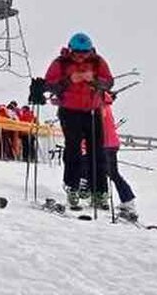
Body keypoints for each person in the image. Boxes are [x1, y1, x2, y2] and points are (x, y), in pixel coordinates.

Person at [45, 32, 114, 210]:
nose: (82, 56)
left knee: (97, 152)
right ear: (71, 50)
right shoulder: (60, 63)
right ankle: (72, 187)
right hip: (69, 111)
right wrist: (69, 80)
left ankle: (99, 191)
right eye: (78, 52)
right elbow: (49, 85)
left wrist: (95, 81)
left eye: (85, 52)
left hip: (92, 111)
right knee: (73, 150)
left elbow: (109, 82)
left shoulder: (98, 62)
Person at [101, 92, 137, 219]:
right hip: (110, 143)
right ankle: (127, 200)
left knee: (110, 173)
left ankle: (127, 200)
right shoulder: (105, 104)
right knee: (108, 173)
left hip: (106, 144)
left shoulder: (100, 107)